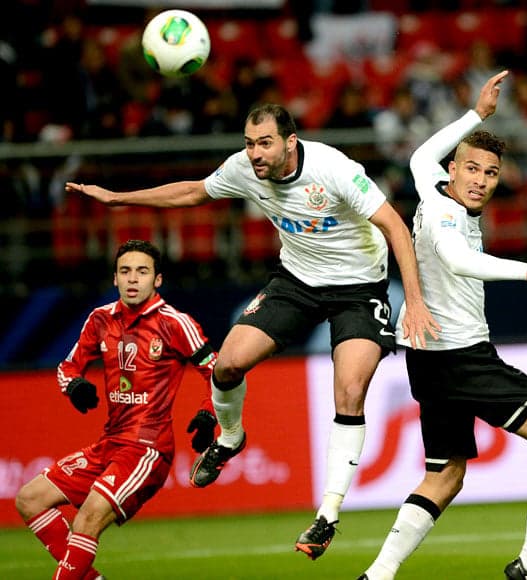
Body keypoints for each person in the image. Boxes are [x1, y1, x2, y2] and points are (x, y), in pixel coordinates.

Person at [65, 103, 439, 560]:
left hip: (359, 288)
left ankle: (327, 514)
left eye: (264, 143)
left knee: (349, 390)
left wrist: (414, 302)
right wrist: (120, 198)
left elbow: (395, 227)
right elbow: (193, 192)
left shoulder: (334, 169)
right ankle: (231, 436)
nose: (255, 153)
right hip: (296, 282)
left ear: (289, 142)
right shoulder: (246, 169)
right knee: (227, 365)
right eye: (249, 142)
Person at [358, 71, 527, 580]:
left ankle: (378, 574)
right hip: (461, 357)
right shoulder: (445, 215)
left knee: (445, 474)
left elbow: (418, 157)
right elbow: (458, 260)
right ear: (453, 171)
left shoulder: (432, 184)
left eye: (491, 172)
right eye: (471, 169)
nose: (480, 180)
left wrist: (478, 116)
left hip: (429, 357)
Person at [15, 239, 218, 580]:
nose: (133, 279)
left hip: (147, 448)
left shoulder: (175, 323)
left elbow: (218, 373)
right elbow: (68, 367)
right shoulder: (100, 319)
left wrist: (209, 413)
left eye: (142, 271)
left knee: (88, 517)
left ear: (157, 280)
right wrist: (74, 386)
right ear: (115, 279)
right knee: (29, 499)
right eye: (125, 271)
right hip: (110, 442)